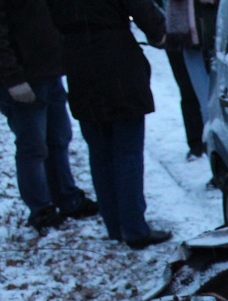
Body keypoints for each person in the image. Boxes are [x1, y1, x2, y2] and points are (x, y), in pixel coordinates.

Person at [0, 0, 100, 235]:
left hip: (48, 72)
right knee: (33, 147)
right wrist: (12, 78)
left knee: (59, 138)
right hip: (20, 78)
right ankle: (41, 210)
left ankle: (68, 199)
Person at [46, 0, 172, 249]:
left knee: (100, 151)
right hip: (117, 63)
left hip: (79, 64)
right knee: (127, 152)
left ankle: (115, 226)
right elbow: (144, 10)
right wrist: (159, 34)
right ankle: (134, 228)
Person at [162, 0, 219, 160]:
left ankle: (213, 151)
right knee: (193, 94)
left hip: (212, 31)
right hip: (183, 34)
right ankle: (199, 145)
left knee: (212, 99)